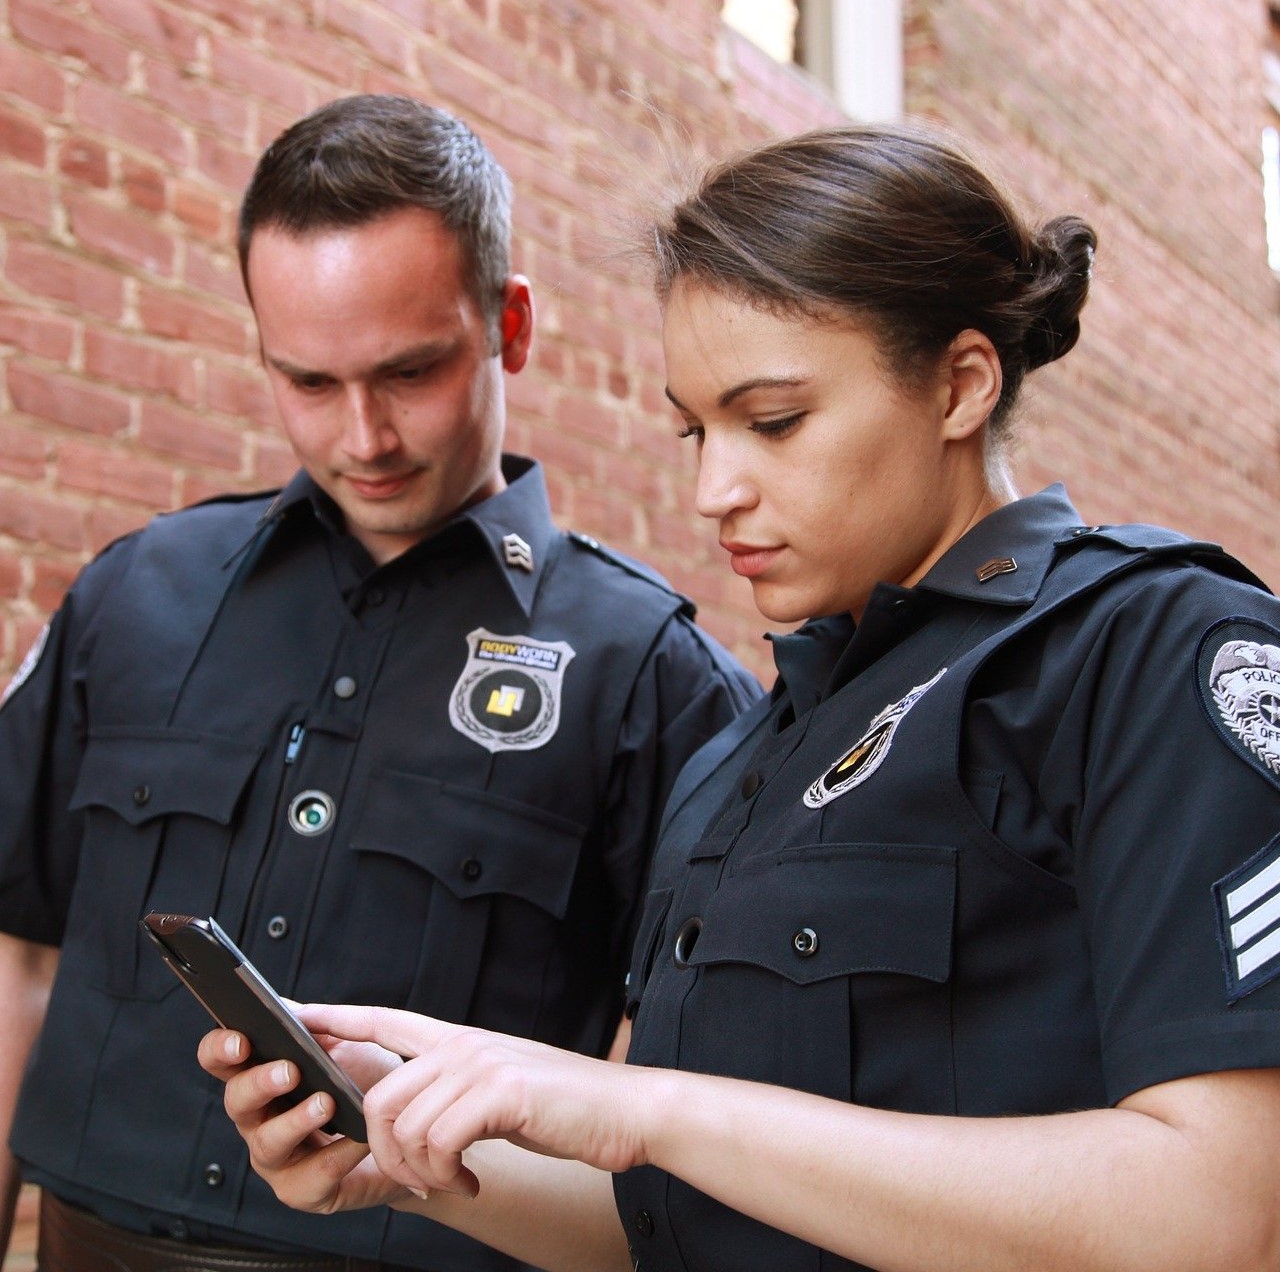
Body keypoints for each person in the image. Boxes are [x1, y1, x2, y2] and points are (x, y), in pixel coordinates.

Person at [199, 121, 1280, 1272]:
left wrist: (654, 1106)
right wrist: (412, 1146)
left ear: (960, 384)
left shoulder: (1144, 649)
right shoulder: (739, 756)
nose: (713, 488)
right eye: (691, 428)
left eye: (772, 422)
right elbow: (654, 1217)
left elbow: (1227, 1212)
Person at [0, 94, 761, 1272]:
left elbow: (668, 1104)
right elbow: (20, 962)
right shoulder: (137, 593)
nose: (363, 435)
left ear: (507, 324)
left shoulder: (651, 678)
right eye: (306, 381)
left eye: (409, 372)